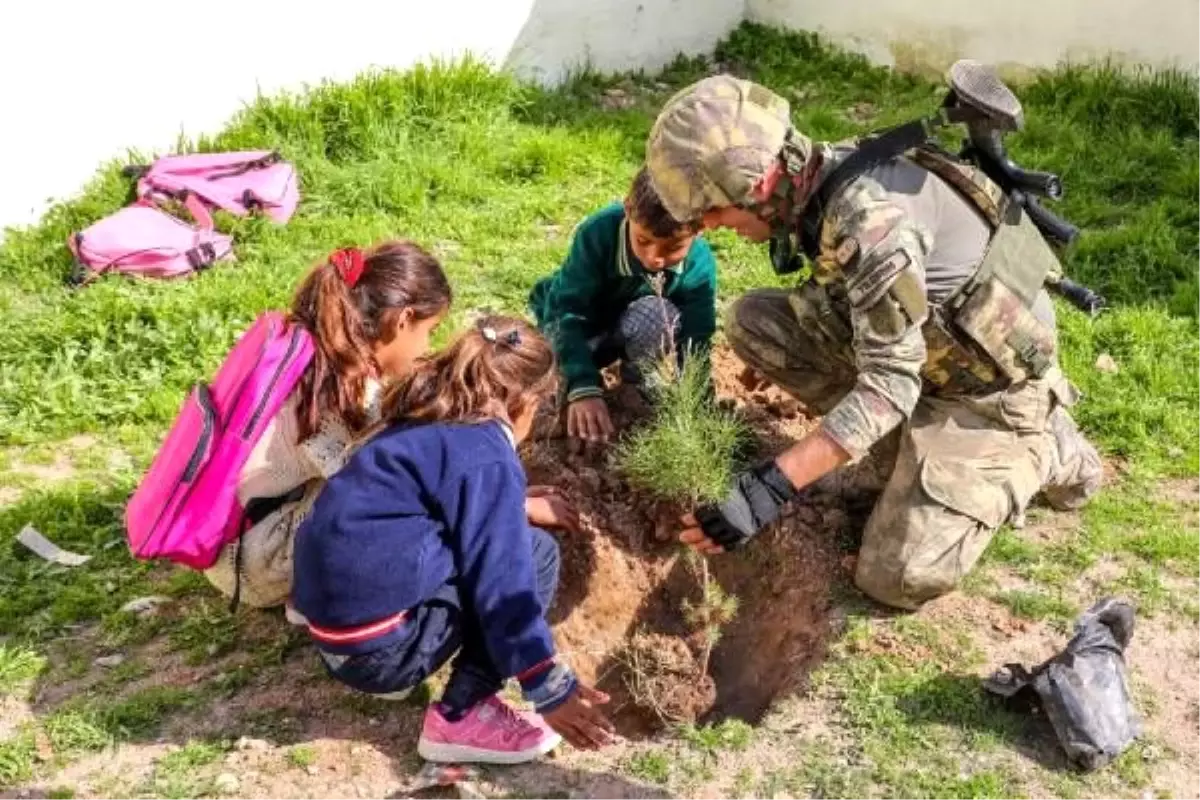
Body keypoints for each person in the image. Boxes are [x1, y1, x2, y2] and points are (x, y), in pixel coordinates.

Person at [643, 73, 1104, 610]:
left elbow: (889, 383)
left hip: (989, 396)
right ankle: (906, 455)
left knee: (898, 576)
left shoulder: (872, 223)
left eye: (714, 212)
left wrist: (767, 490)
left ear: (763, 184)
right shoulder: (827, 176)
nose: (714, 228)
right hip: (929, 358)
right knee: (756, 324)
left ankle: (1047, 445)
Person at [291, 315, 617, 765]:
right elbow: (504, 583)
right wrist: (546, 684)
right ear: (524, 401)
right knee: (536, 551)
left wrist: (510, 503)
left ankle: (404, 655)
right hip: (379, 655)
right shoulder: (486, 454)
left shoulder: (424, 414)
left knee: (493, 541)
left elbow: (426, 503)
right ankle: (461, 714)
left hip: (334, 637)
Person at [203, 241, 452, 615]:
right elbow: (382, 487)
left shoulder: (308, 346)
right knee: (400, 504)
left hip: (229, 538)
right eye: (430, 330)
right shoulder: (346, 391)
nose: (427, 345)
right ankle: (312, 601)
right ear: (403, 320)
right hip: (253, 565)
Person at [529, 166, 718, 445]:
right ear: (628, 210)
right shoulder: (599, 233)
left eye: (672, 249)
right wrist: (582, 386)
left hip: (626, 330)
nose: (654, 259)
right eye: (643, 241)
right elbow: (563, 311)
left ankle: (636, 382)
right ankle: (571, 376)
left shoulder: (699, 265)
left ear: (700, 230)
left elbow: (696, 340)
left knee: (660, 315)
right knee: (542, 396)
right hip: (576, 329)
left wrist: (699, 409)